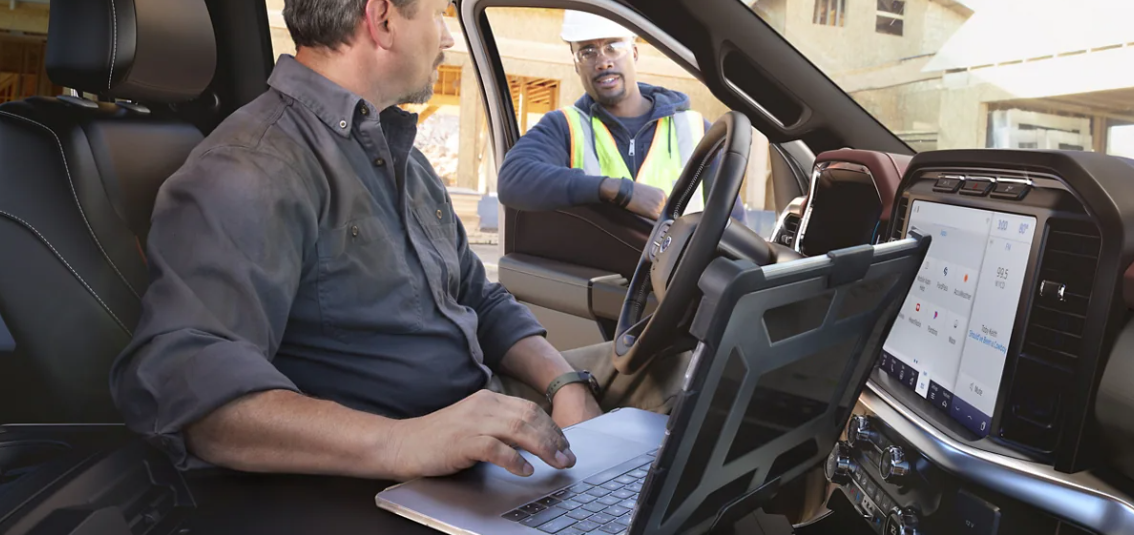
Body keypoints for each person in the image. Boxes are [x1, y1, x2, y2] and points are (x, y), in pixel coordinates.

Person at [109, 0, 602, 482]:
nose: (448, 37)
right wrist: (406, 442)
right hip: (396, 461)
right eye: (439, 15)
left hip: (479, 412)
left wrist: (563, 384)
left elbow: (479, 298)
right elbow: (187, 383)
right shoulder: (251, 167)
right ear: (382, 19)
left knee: (647, 372)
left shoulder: (404, 159)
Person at [497, 10, 744, 221]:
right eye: (587, 52)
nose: (603, 62)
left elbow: (732, 227)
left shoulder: (696, 131)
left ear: (634, 53)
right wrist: (615, 190)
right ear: (576, 65)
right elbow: (512, 179)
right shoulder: (564, 127)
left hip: (680, 265)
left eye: (613, 47)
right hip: (598, 264)